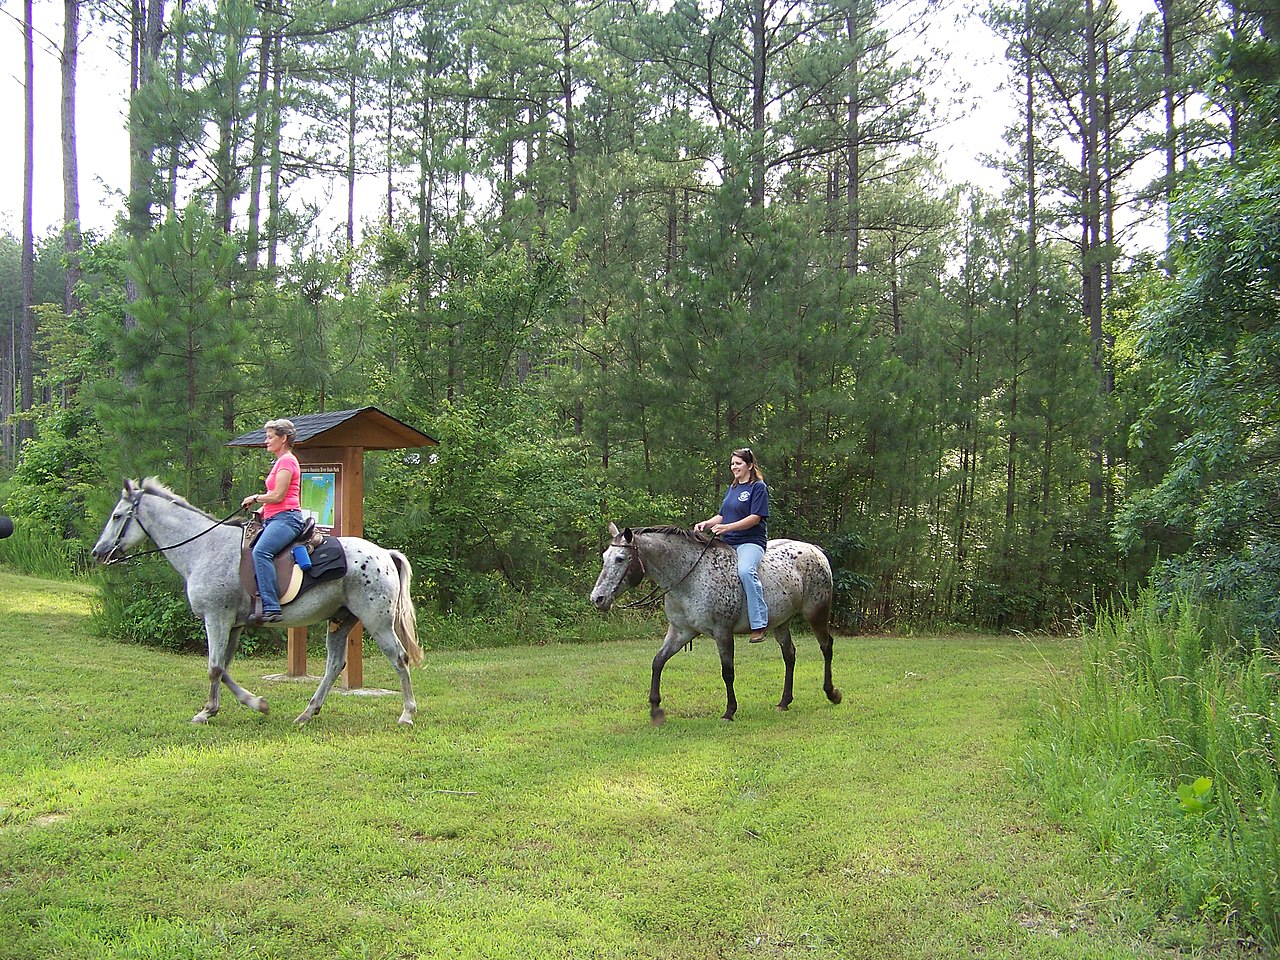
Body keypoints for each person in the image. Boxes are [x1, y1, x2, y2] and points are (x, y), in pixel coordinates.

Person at [694, 447, 771, 642]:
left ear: (750, 465)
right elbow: (722, 515)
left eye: (738, 463)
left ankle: (759, 624)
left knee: (746, 571)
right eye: (732, 464)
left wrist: (727, 528)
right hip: (728, 542)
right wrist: (707, 523)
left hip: (750, 542)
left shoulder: (758, 487)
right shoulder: (733, 488)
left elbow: (755, 518)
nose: (734, 467)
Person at [240, 418, 305, 623]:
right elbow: (276, 498)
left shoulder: (287, 460)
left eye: (270, 437)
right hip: (275, 517)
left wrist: (256, 498)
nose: (266, 441)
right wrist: (261, 509)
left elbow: (278, 495)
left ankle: (271, 607)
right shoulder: (280, 461)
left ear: (283, 438)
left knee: (261, 551)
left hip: (287, 518)